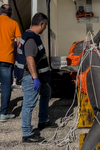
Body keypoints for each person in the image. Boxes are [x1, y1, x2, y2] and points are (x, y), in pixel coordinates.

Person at [14, 13, 51, 143]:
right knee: (29, 103)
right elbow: (30, 60)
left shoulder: (31, 35)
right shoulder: (31, 40)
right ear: (41, 24)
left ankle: (43, 119)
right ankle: (27, 133)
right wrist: (35, 78)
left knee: (46, 92)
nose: (45, 27)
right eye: (45, 25)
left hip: (37, 75)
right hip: (29, 76)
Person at [0, 4, 21, 121]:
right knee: (6, 86)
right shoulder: (14, 24)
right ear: (11, 14)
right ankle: (3, 113)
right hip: (6, 59)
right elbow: (19, 42)